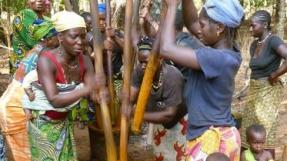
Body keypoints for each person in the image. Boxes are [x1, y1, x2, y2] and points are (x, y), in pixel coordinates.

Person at [159, 0, 244, 161]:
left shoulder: (216, 58)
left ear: (219, 28)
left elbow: (166, 48)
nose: (198, 29)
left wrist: (171, 6)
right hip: (218, 134)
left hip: (213, 140)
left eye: (203, 25)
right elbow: (191, 22)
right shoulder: (228, 50)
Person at [24, 11, 101, 161]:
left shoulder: (85, 61)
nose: (80, 41)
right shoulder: (46, 60)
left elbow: (93, 93)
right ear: (60, 37)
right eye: (74, 36)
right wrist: (86, 89)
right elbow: (54, 99)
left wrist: (100, 96)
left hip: (64, 122)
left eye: (83, 36)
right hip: (42, 125)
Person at [0, 19, 58, 161]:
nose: (60, 39)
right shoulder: (41, 56)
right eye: (58, 36)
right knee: (27, 155)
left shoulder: (38, 51)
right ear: (49, 39)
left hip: (13, 104)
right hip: (15, 109)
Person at [129, 35, 186, 161]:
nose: (143, 66)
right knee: (160, 154)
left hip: (179, 120)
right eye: (141, 62)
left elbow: (170, 115)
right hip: (159, 117)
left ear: (160, 59)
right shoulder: (140, 70)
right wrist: (127, 103)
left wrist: (137, 114)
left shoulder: (172, 76)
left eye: (147, 61)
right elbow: (131, 96)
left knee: (177, 155)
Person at [240, 10, 287, 156]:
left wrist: (275, 74)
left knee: (264, 131)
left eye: (253, 26)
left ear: (265, 24)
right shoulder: (254, 44)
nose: (250, 29)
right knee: (249, 130)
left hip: (268, 93)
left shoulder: (273, 41)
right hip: (254, 92)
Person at [11, 0, 49, 73]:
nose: (39, 0)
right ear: (28, 2)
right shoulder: (24, 14)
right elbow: (32, 40)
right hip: (23, 64)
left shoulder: (46, 19)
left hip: (40, 64)